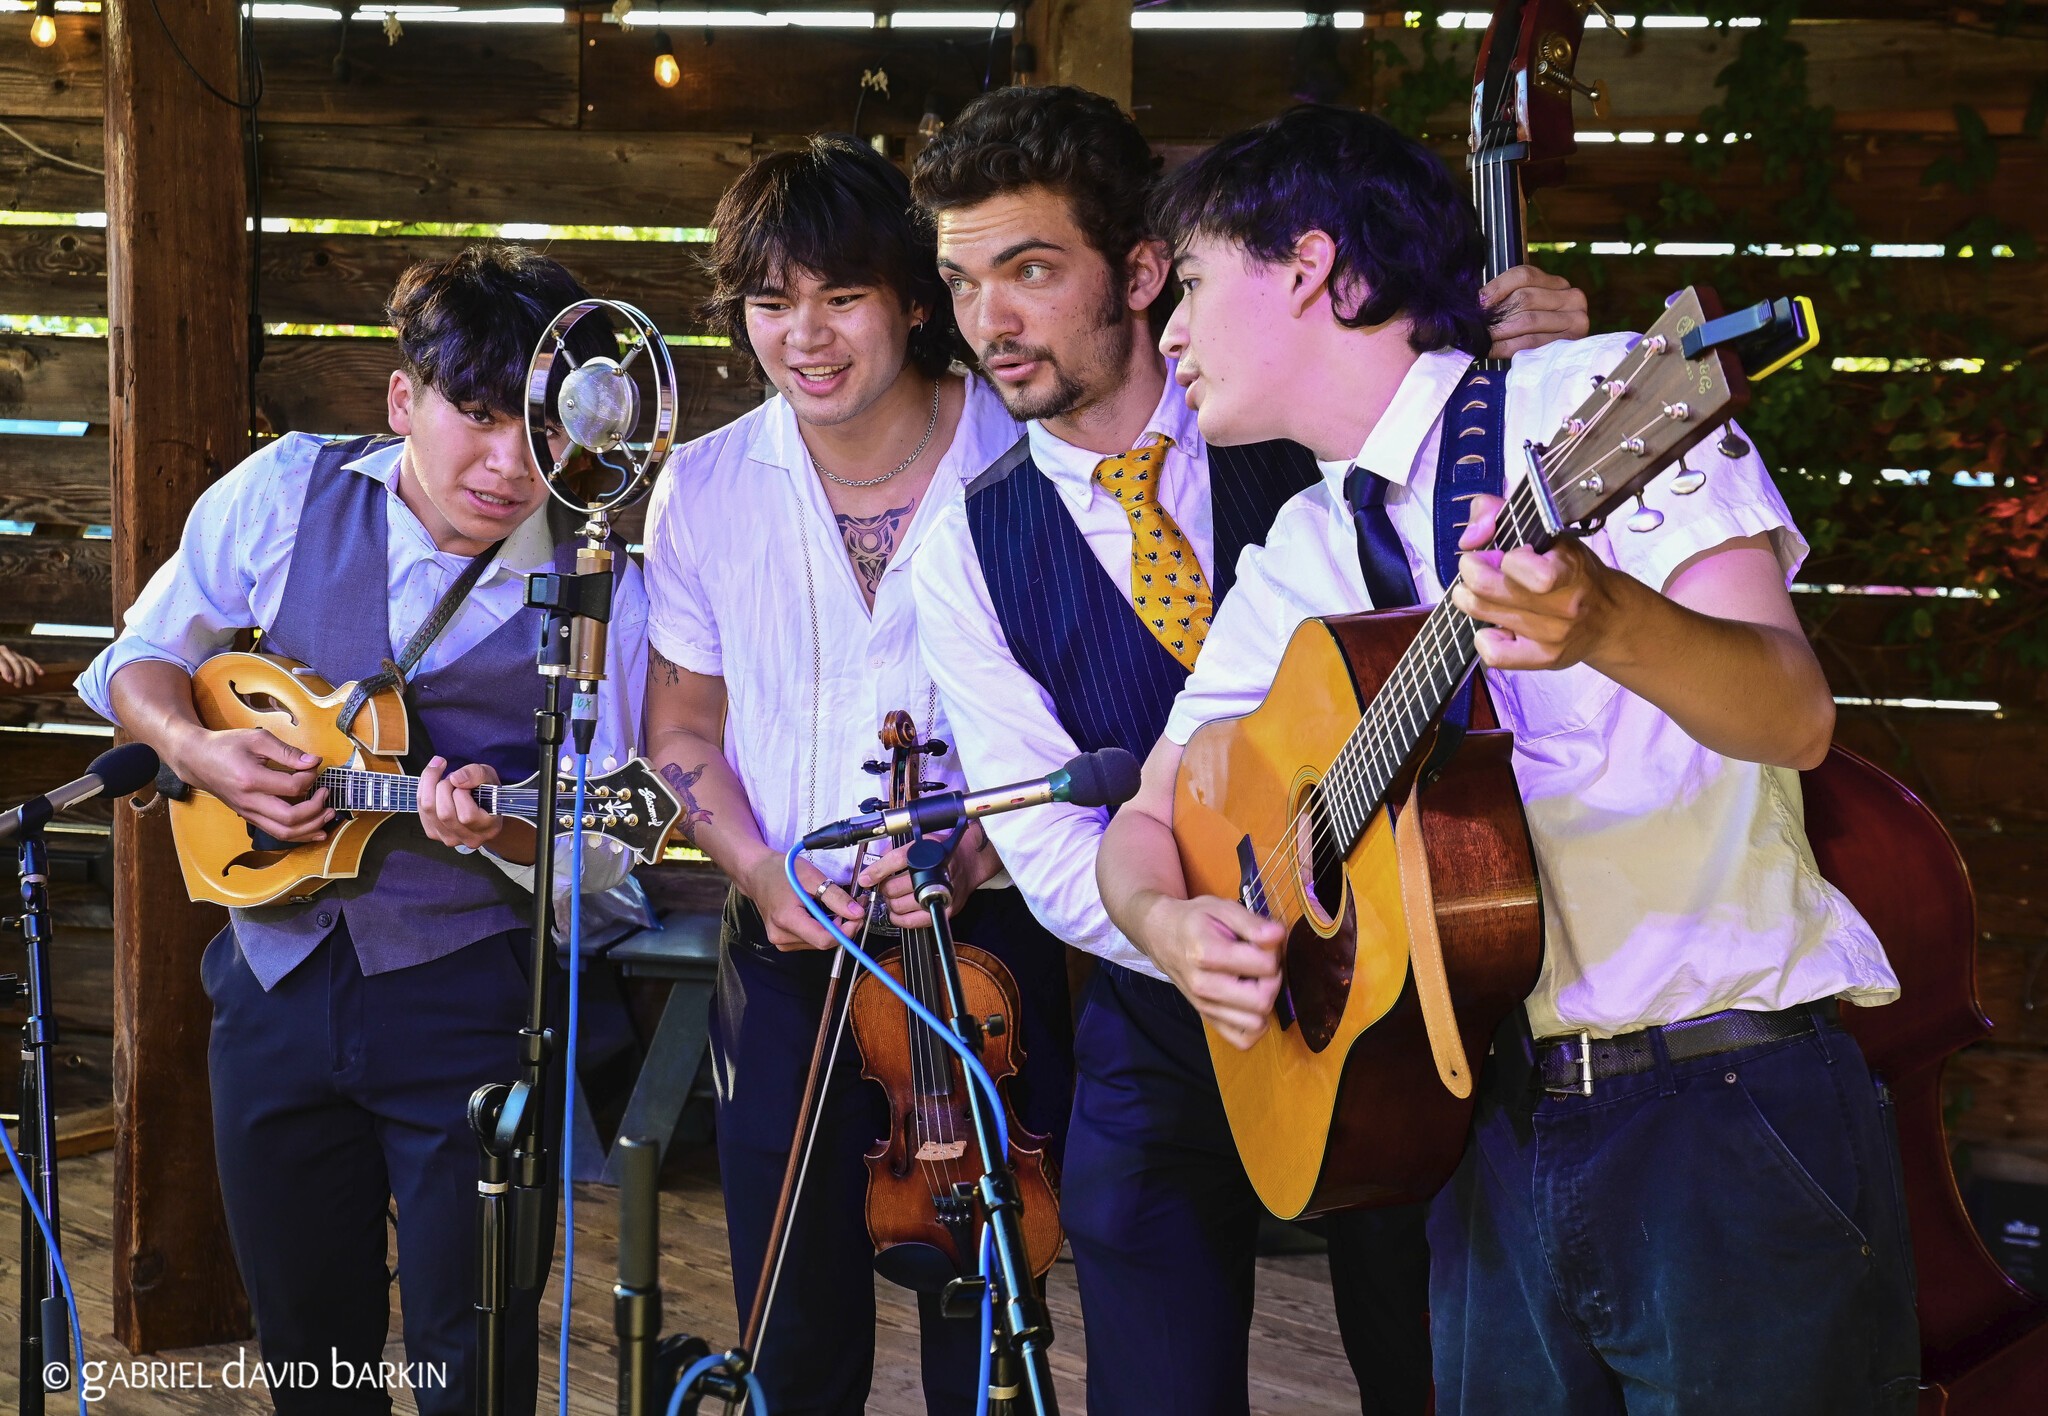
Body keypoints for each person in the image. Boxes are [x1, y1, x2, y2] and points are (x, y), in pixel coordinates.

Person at [1096, 104, 1918, 1414]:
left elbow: (1792, 713)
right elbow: (1148, 816)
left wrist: (1605, 619)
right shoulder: (1304, 547)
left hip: (1718, 1108)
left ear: (1312, 267)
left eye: (1188, 285)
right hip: (1484, 1141)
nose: (1166, 331)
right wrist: (1176, 923)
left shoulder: (1585, 403)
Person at [907, 86, 1587, 1415]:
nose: (989, 320)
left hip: (1406, 974)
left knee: (1434, 1354)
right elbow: (1050, 846)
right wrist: (1192, 936)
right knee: (1144, 1323)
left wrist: (1526, 364)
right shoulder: (963, 553)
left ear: (1148, 270)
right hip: (1162, 999)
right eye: (962, 280)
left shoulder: (1323, 422)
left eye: (1030, 269)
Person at [77, 244, 647, 1416]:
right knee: (307, 1349)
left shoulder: (599, 591)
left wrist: (494, 834)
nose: (507, 463)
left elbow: (610, 839)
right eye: (476, 416)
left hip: (476, 1002)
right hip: (269, 985)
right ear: (404, 401)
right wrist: (197, 752)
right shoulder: (287, 488)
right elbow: (137, 659)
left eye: (538, 430)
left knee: (469, 1363)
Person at [637, 134, 1073, 1416]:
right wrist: (760, 871)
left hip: (986, 945)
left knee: (986, 1302)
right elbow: (679, 729)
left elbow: (1100, 713)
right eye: (771, 304)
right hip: (784, 940)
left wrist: (989, 844)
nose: (805, 336)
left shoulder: (1026, 459)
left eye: (840, 296)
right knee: (792, 1308)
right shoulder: (704, 486)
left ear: (910, 298)